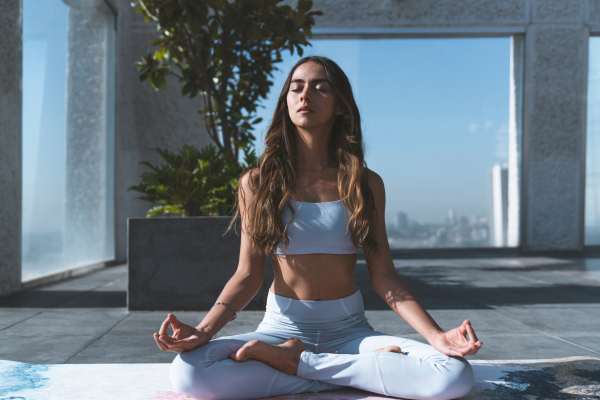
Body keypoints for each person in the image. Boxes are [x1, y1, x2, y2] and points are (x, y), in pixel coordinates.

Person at [153, 55, 483, 400]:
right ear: (286, 102)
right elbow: (247, 275)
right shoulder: (257, 183)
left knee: (452, 376)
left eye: (319, 88)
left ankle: (298, 364)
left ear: (340, 105)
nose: (304, 95)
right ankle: (349, 370)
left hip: (348, 330)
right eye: (296, 88)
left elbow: (385, 278)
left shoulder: (365, 184)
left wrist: (436, 336)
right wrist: (204, 331)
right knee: (189, 375)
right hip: (281, 327)